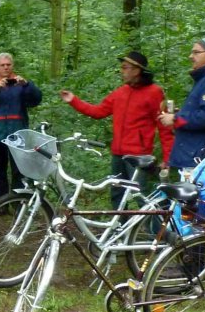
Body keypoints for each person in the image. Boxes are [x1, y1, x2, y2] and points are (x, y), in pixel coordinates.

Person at [60, 50, 175, 207]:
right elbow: (98, 112)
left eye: (125, 67)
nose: (122, 71)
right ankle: (120, 223)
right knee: (117, 196)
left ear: (137, 70)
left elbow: (164, 127)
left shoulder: (154, 92)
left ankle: (159, 224)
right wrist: (73, 100)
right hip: (118, 154)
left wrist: (168, 159)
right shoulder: (121, 92)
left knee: (142, 196)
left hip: (138, 156)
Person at [158, 35, 205, 176]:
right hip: (194, 156)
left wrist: (175, 118)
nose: (190, 56)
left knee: (194, 192)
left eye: (196, 52)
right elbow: (203, 112)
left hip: (200, 160)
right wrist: (179, 114)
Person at [0, 52, 42, 199]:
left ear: (12, 66)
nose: (6, 67)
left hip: (17, 134)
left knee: (18, 170)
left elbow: (36, 100)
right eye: (2, 65)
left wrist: (27, 85)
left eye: (8, 64)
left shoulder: (20, 85)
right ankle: (1, 203)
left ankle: (18, 203)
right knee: (0, 170)